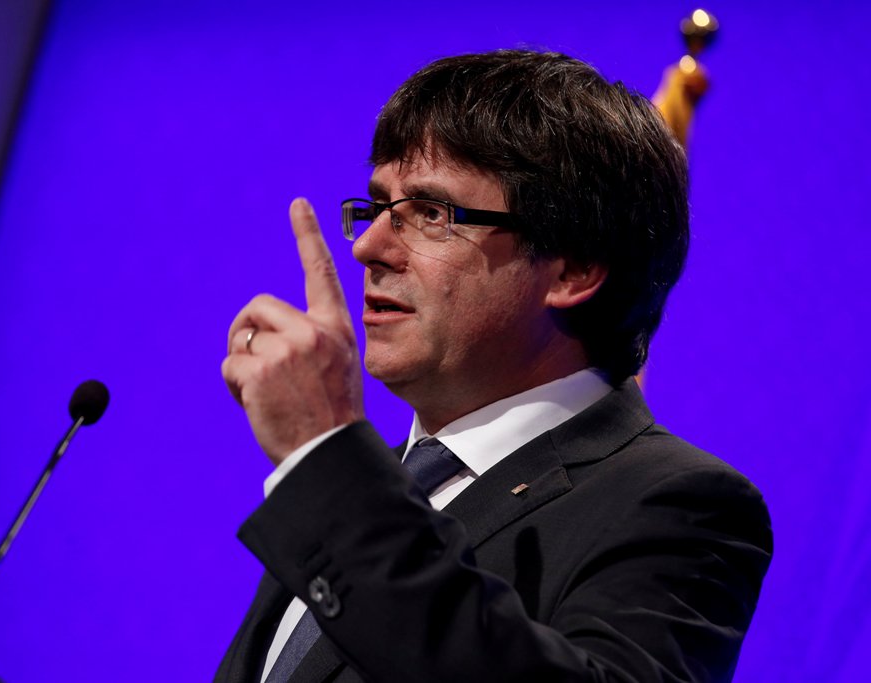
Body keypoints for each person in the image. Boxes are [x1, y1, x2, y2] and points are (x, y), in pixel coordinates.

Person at [217, 49, 772, 683]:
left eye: (432, 213)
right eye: (378, 206)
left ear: (574, 268)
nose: (369, 246)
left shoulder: (680, 506)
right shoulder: (381, 485)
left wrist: (325, 456)